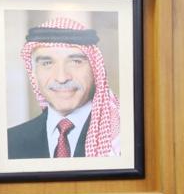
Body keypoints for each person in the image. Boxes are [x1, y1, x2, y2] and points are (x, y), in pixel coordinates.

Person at [8, 17, 121, 159]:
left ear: (95, 70)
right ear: (34, 75)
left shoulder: (120, 138)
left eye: (75, 62)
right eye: (47, 63)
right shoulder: (10, 142)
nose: (61, 78)